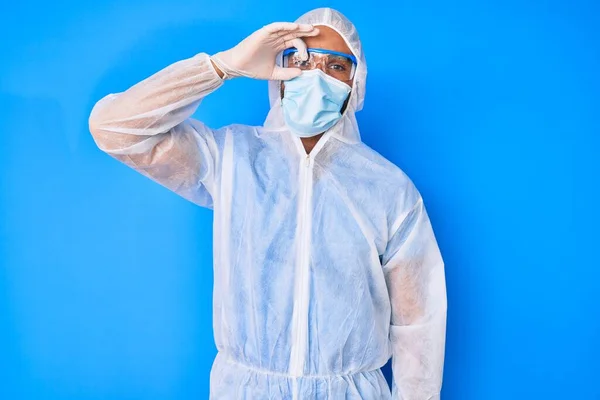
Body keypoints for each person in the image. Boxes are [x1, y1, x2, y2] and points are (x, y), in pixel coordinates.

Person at [88, 7, 447, 400]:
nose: (317, 78)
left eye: (336, 67)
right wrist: (222, 67)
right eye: (301, 61)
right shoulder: (231, 158)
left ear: (356, 84)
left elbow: (420, 327)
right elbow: (113, 129)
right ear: (279, 75)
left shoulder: (389, 190)